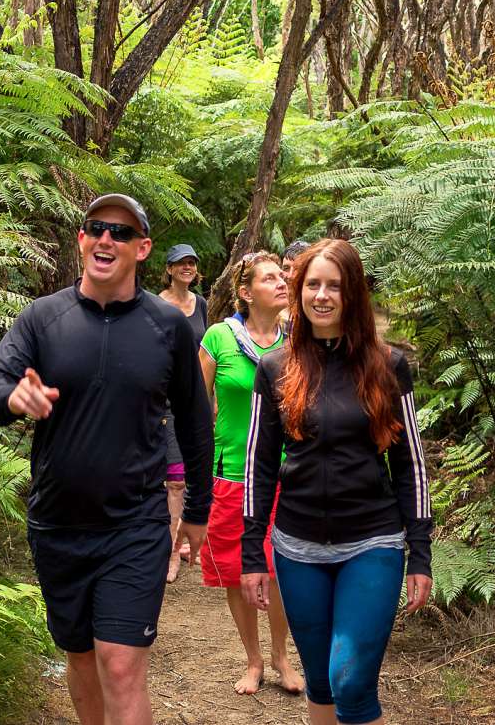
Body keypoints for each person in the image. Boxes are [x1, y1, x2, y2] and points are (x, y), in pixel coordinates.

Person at [0, 194, 213, 725]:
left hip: (136, 522)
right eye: (96, 228)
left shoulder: (166, 327)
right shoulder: (43, 317)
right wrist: (14, 399)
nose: (106, 239)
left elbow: (196, 423)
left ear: (143, 249)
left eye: (121, 233)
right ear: (81, 240)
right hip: (58, 524)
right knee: (81, 658)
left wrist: (197, 511)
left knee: (121, 665)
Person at [241, 238, 433, 725]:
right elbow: (258, 467)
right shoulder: (276, 368)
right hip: (297, 547)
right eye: (313, 284)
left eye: (335, 286)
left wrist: (421, 551)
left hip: (372, 542)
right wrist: (251, 553)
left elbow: (410, 463)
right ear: (299, 291)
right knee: (322, 682)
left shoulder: (387, 366)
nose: (322, 296)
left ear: (353, 296)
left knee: (350, 680)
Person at [198, 251, 303, 696]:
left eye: (283, 276)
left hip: (285, 472)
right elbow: (196, 409)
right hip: (231, 472)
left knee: (281, 569)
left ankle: (282, 657)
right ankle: (254, 660)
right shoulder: (218, 338)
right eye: (270, 278)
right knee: (237, 569)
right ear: (245, 292)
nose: (282, 283)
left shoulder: (296, 341)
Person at [159, 243, 208, 582]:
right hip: (162, 401)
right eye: (181, 263)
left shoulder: (200, 304)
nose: (187, 268)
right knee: (173, 480)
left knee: (191, 474)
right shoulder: (156, 304)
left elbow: (206, 353)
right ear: (170, 269)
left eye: (191, 263)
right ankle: (170, 553)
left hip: (194, 400)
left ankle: (185, 541)